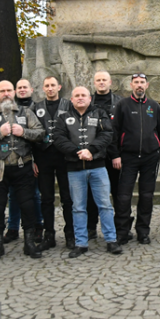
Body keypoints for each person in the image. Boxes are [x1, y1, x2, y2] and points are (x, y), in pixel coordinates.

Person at [0, 80, 46, 260]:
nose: (6, 94)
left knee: (28, 205)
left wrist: (24, 132)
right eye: (2, 91)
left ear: (13, 92)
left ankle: (29, 242)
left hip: (23, 166)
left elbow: (40, 133)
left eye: (8, 90)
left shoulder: (26, 113)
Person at [53, 87, 123, 257]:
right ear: (71, 99)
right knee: (78, 207)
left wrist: (91, 150)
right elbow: (58, 138)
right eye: (76, 95)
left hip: (98, 167)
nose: (80, 98)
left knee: (105, 205)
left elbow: (107, 134)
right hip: (74, 169)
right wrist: (77, 151)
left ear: (89, 98)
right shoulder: (63, 117)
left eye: (83, 95)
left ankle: (111, 240)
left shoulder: (99, 114)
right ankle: (81, 243)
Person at [111, 73, 160, 245]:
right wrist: (115, 154)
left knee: (146, 196)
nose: (139, 85)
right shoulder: (122, 105)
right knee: (123, 197)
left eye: (142, 82)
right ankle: (122, 231)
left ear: (147, 85)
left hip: (150, 158)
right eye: (136, 82)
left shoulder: (154, 106)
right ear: (131, 85)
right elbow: (114, 131)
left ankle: (143, 231)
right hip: (128, 158)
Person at [31, 76, 74, 250]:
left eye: (52, 85)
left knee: (67, 198)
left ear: (59, 87)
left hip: (64, 157)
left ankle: (70, 234)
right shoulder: (36, 107)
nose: (50, 88)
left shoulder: (68, 105)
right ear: (43, 88)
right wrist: (33, 159)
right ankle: (49, 235)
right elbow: (31, 134)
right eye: (47, 86)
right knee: (46, 198)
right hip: (44, 157)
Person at [3, 78, 44, 244]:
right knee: (13, 196)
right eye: (18, 87)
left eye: (24, 87)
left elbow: (39, 136)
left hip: (29, 160)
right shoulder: (9, 109)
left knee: (34, 195)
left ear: (31, 89)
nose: (21, 90)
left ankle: (37, 226)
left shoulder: (37, 109)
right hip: (11, 161)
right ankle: (13, 227)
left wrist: (35, 160)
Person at [87, 70, 122, 240]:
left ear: (110, 83)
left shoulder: (120, 103)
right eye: (98, 80)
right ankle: (91, 227)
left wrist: (119, 154)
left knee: (117, 192)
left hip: (115, 155)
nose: (101, 82)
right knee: (91, 194)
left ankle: (119, 228)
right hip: (93, 155)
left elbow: (123, 129)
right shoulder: (88, 102)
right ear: (94, 83)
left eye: (104, 80)